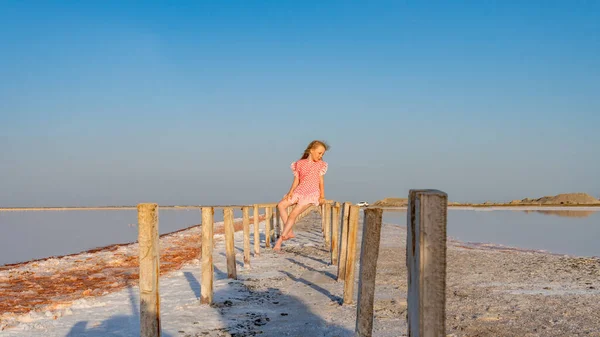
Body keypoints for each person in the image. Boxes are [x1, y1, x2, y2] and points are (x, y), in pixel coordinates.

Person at [273, 140, 329, 252]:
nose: (321, 155)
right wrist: (290, 192)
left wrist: (322, 196)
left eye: (322, 154)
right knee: (281, 205)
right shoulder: (299, 163)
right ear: (311, 150)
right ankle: (289, 232)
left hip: (311, 193)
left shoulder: (320, 165)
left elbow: (321, 182)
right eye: (319, 153)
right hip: (299, 191)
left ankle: (279, 242)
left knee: (293, 214)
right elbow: (296, 180)